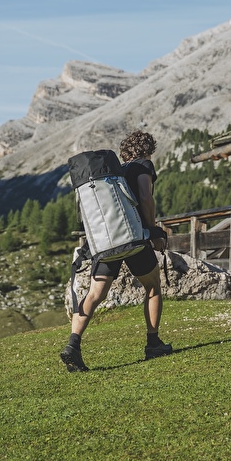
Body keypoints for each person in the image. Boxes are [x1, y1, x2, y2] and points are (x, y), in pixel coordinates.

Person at [60, 130, 172, 372]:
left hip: (104, 243)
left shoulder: (113, 174)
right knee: (152, 287)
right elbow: (145, 197)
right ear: (148, 150)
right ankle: (153, 343)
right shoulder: (143, 166)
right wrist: (153, 231)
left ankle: (73, 345)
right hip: (133, 240)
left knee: (93, 295)